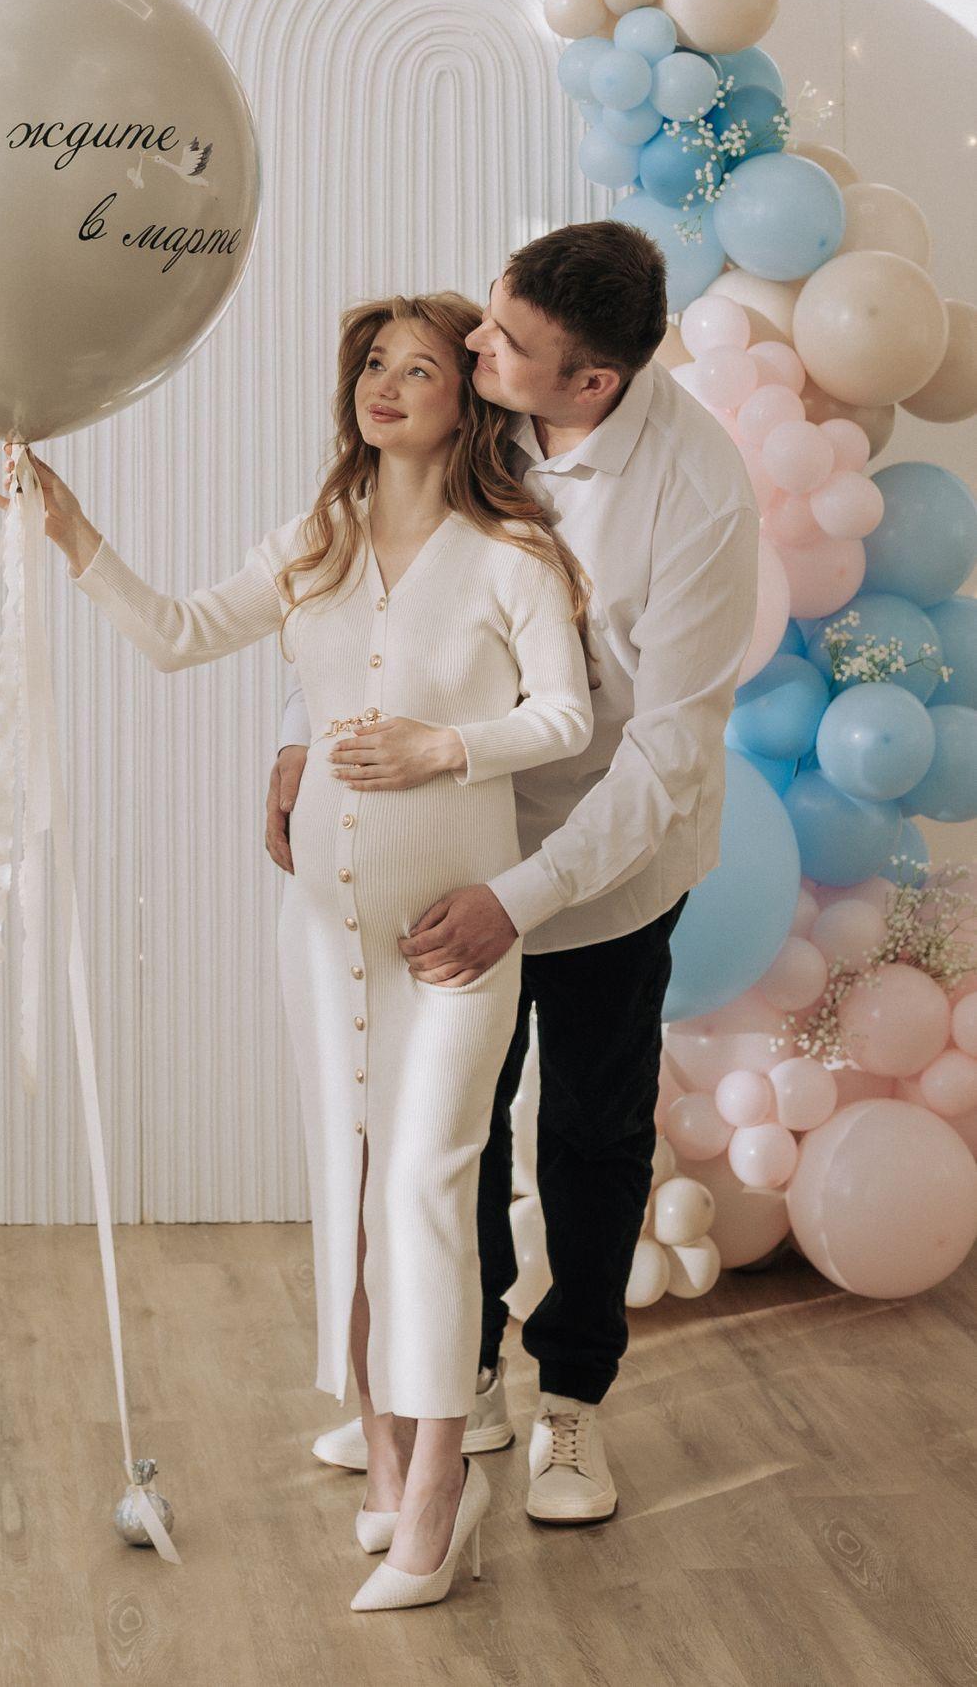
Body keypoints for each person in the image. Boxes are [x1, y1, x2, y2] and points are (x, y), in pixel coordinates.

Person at [0, 291, 593, 1613]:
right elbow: (175, 635)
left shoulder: (514, 557)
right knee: (349, 1185)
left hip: (453, 940)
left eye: (419, 368)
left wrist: (445, 747)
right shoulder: (318, 540)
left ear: (467, 400)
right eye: (373, 364)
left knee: (425, 1188)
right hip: (321, 932)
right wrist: (70, 529)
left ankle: (441, 1487)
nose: (387, 385)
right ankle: (386, 1452)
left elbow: (566, 717)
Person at [270, 221, 760, 1527]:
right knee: (449, 1126)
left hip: (610, 858)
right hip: (447, 831)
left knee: (590, 1133)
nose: (474, 342)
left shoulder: (698, 498)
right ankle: (461, 1377)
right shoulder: (480, 403)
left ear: (590, 382)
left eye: (506, 338)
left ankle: (574, 1403)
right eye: (488, 314)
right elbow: (367, 582)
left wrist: (522, 900)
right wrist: (304, 737)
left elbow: (661, 761)